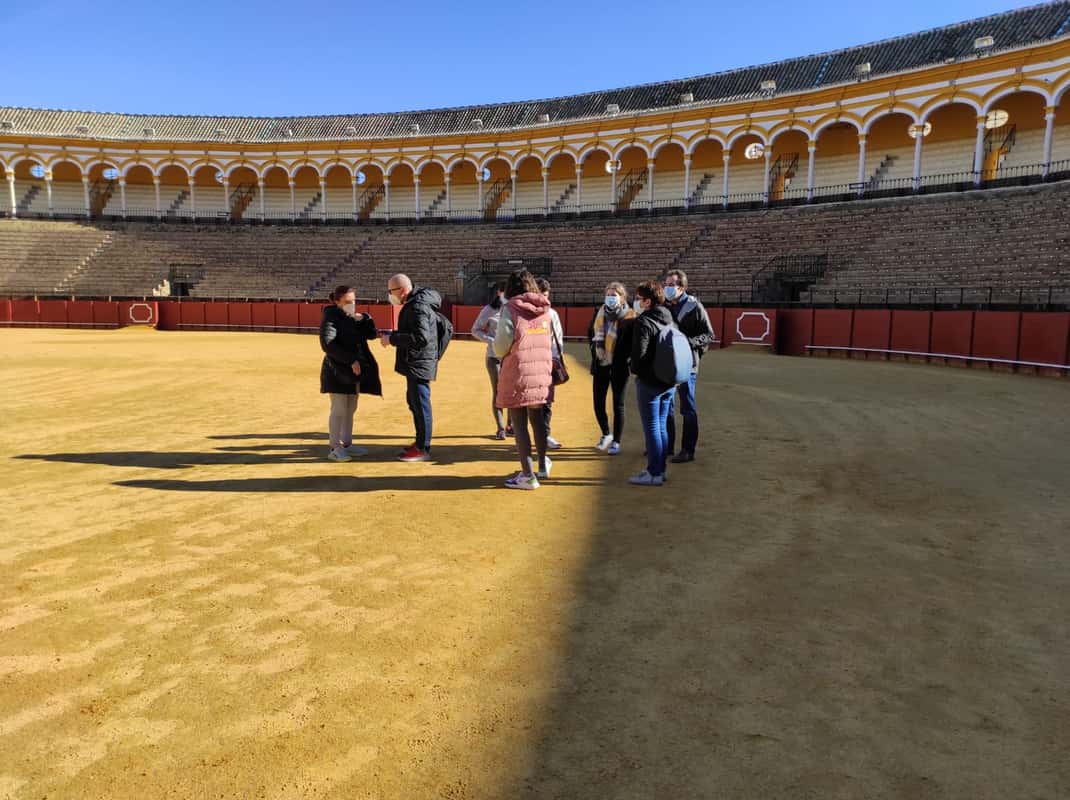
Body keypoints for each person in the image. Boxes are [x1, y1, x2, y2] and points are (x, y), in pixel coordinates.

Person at [494, 270, 553, 490]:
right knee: (538, 421)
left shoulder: (510, 309)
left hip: (517, 371)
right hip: (541, 371)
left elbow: (501, 346)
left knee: (519, 424)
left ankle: (528, 475)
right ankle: (542, 467)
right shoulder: (545, 309)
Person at [380, 273, 442, 462]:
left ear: (402, 290)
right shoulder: (417, 303)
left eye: (391, 291)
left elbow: (421, 338)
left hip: (418, 362)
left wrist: (392, 339)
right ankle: (420, 442)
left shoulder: (417, 306)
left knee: (420, 404)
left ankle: (423, 448)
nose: (390, 295)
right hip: (418, 361)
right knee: (415, 402)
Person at [319, 285, 381, 462]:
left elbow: (371, 335)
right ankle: (334, 447)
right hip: (337, 370)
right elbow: (328, 344)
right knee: (339, 408)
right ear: (337, 302)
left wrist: (365, 319)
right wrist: (350, 360)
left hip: (353, 371)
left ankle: (346, 444)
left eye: (353, 301)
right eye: (347, 302)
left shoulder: (352, 317)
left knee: (350, 408)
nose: (351, 304)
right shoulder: (331, 316)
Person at [661, 268, 714, 463]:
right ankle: (667, 446)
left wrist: (688, 343)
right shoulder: (664, 305)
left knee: (687, 406)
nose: (667, 288)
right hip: (666, 362)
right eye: (666, 284)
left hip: (686, 362)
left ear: (682, 287)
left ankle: (688, 450)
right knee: (666, 404)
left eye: (671, 285)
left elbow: (709, 334)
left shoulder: (694, 306)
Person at [629, 280, 677, 486]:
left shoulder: (643, 321)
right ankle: (660, 470)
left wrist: (634, 369)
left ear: (648, 301)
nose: (637, 301)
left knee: (652, 428)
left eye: (639, 298)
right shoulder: (668, 315)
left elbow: (638, 356)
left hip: (650, 380)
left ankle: (654, 472)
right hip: (668, 380)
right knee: (662, 426)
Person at [590, 281, 635, 455]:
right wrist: (597, 351)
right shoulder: (599, 312)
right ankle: (606, 434)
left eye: (613, 295)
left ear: (622, 298)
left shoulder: (631, 316)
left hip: (620, 366)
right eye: (608, 295)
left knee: (618, 405)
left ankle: (616, 441)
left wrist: (625, 359)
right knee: (598, 403)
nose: (610, 298)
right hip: (601, 363)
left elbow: (632, 343)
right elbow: (591, 333)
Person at [471, 282, 510, 439]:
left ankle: (511, 425)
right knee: (498, 391)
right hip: (494, 357)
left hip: (511, 357)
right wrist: (491, 340)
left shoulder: (514, 309)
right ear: (499, 292)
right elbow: (475, 330)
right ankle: (501, 428)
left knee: (512, 391)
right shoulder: (489, 310)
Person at [536, 278, 564, 451]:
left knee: (546, 402)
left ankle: (545, 435)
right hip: (528, 364)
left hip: (546, 364)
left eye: (546, 295)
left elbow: (557, 339)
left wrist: (555, 360)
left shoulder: (552, 314)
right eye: (540, 295)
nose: (543, 299)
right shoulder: (522, 312)